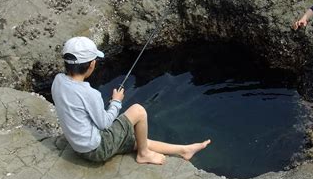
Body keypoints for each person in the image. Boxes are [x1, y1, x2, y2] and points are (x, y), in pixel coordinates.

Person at [51, 36, 211, 164]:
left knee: (135, 139)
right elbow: (104, 124)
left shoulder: (57, 81)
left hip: (78, 146)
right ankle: (144, 154)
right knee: (138, 111)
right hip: (96, 150)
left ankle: (184, 150)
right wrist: (116, 101)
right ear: (91, 65)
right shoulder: (90, 94)